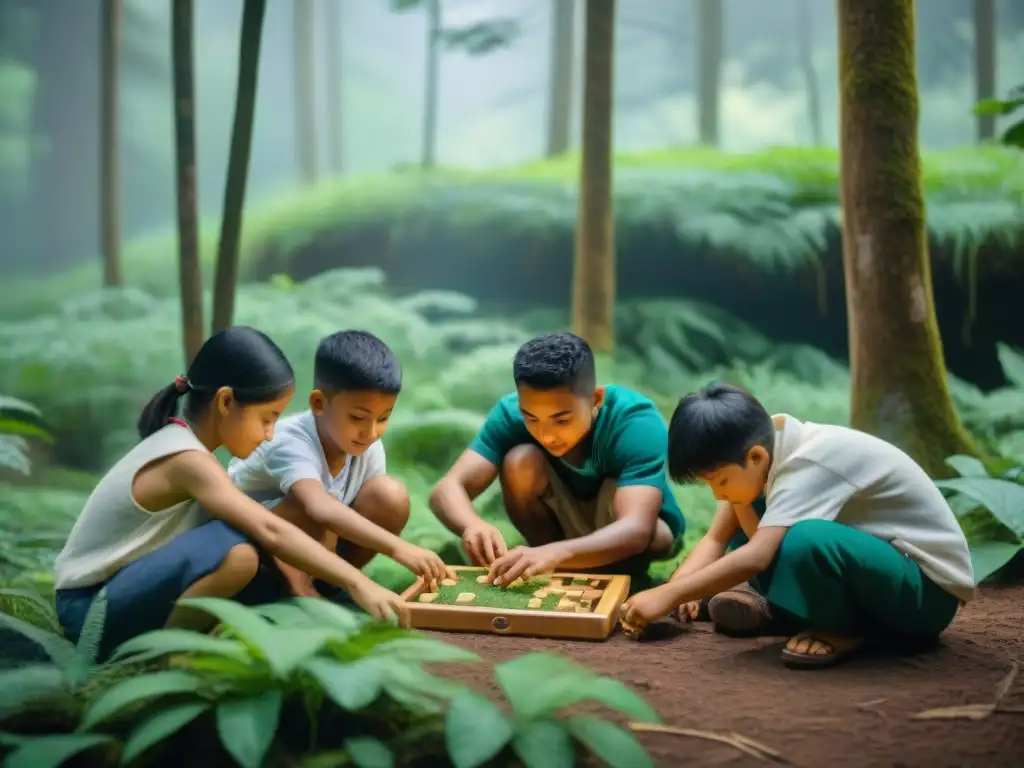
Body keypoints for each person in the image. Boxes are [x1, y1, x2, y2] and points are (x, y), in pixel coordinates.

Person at [54, 326, 410, 661]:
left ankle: (199, 637)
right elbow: (270, 531)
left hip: (127, 591)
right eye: (267, 418)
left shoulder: (187, 447)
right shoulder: (187, 460)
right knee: (238, 550)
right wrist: (358, 581)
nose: (270, 434)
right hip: (91, 610)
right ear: (226, 402)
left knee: (240, 542)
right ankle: (161, 658)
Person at [620, 382, 976, 670]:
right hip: (881, 574)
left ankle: (842, 629)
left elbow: (757, 557)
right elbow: (716, 538)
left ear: (756, 456)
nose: (717, 494)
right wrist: (674, 592)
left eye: (719, 481)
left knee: (802, 540)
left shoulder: (808, 462)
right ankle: (783, 609)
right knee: (752, 510)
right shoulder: (758, 449)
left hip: (925, 595)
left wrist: (666, 595)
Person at [429, 331, 686, 587]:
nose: (546, 435)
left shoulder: (636, 421)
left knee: (655, 533)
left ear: (595, 399)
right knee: (520, 462)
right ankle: (550, 569)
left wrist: (554, 553)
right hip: (560, 525)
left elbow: (636, 530)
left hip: (632, 526)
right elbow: (446, 489)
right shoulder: (509, 413)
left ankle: (621, 575)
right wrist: (471, 525)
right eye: (530, 418)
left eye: (561, 420)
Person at [228, 330, 447, 599]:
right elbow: (321, 509)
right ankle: (293, 592)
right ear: (319, 403)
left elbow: (353, 513)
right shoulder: (289, 440)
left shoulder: (367, 445)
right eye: (357, 417)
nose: (371, 432)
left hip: (314, 543)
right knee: (313, 501)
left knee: (389, 496)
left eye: (383, 418)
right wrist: (399, 548)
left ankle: (331, 585)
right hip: (245, 548)